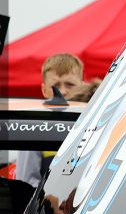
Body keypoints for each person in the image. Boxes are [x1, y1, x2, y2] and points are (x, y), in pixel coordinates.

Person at [16, 53, 84, 187]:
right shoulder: (34, 129)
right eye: (56, 86)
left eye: (70, 84)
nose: (63, 91)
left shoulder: (94, 124)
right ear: (44, 90)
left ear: (82, 86)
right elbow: (26, 183)